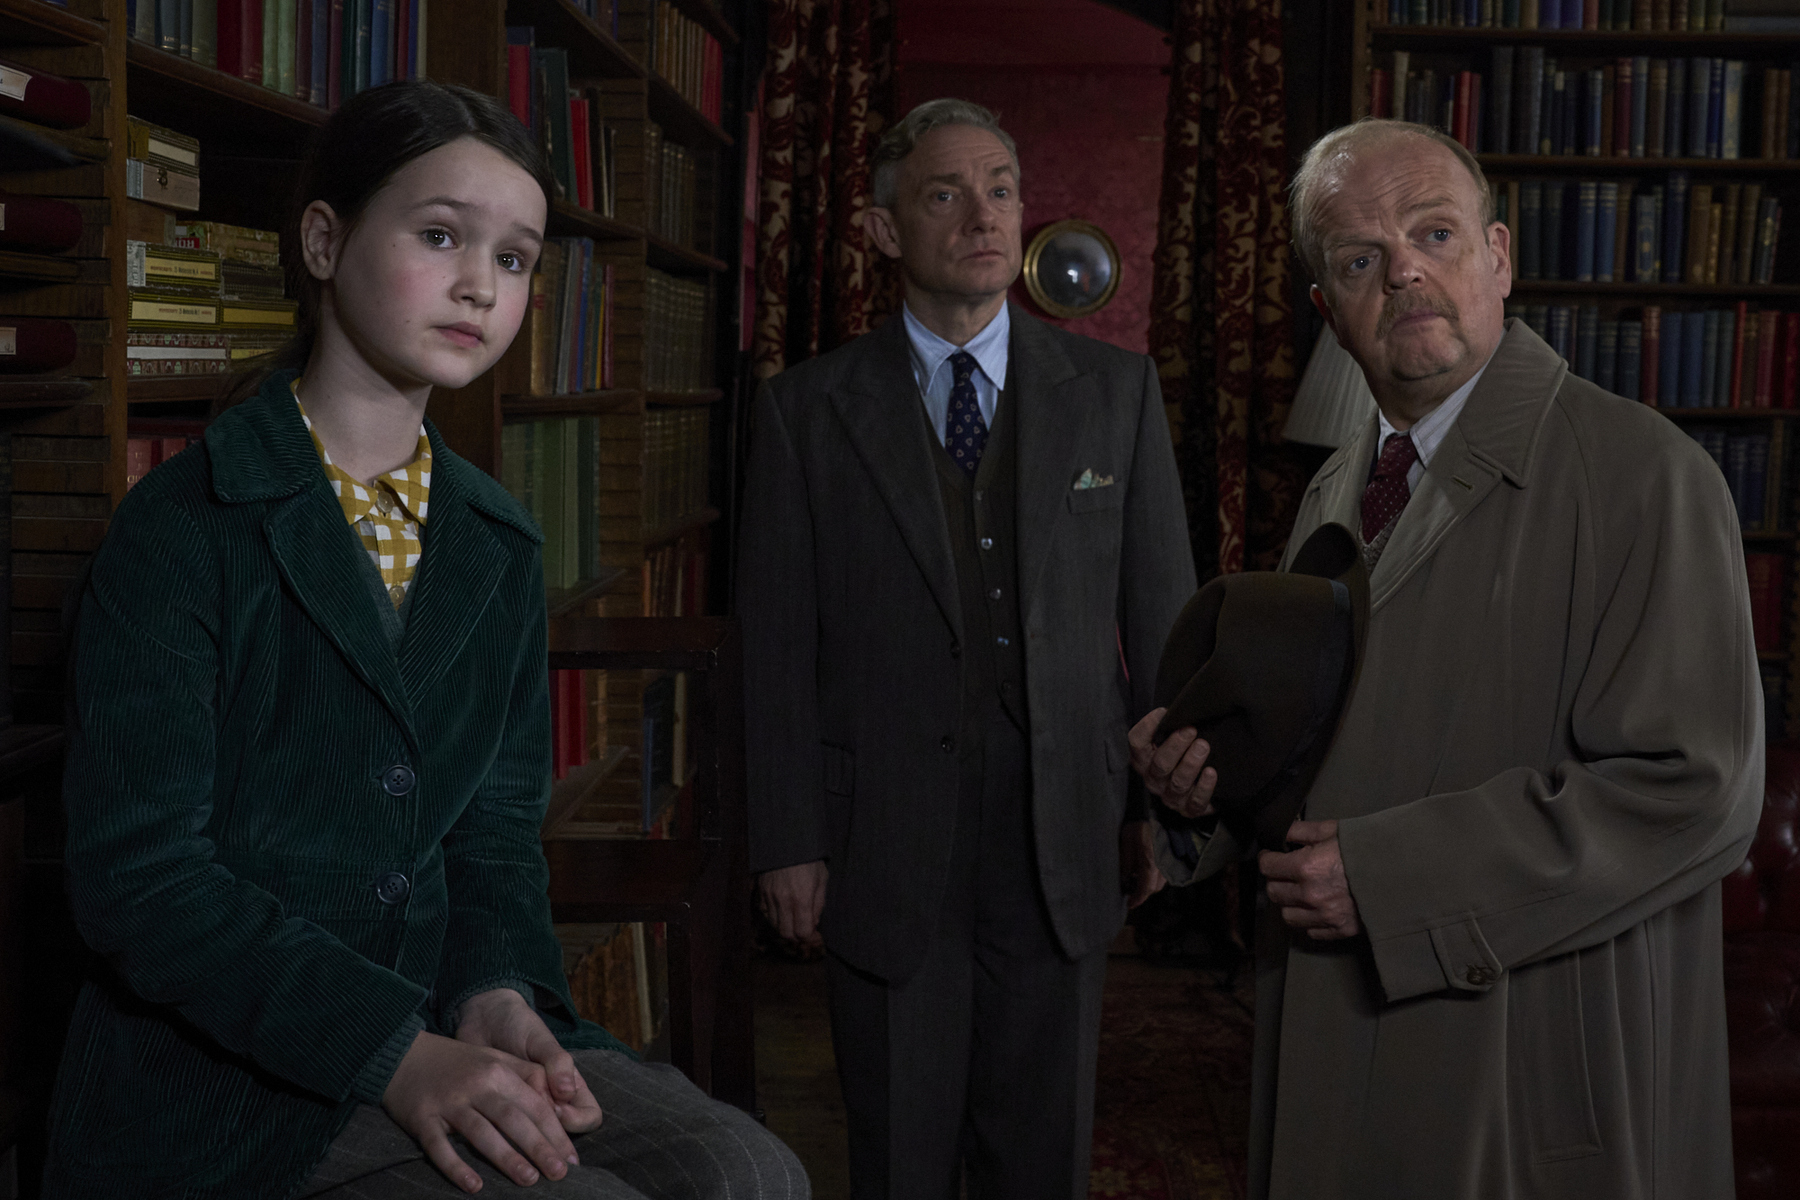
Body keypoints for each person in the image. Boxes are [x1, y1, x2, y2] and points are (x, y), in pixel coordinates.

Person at [42, 80, 807, 1200]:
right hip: (223, 1079)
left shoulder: (497, 541)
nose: (479, 285)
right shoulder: (184, 527)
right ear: (324, 240)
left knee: (751, 1169)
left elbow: (491, 841)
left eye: (514, 259)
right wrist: (397, 1054)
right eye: (441, 236)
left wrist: (497, 995)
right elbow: (140, 882)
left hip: (444, 1024)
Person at [1130, 117, 1764, 1199]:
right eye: (1360, 260)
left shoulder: (1644, 473)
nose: (1404, 272)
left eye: (1435, 233)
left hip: (1524, 1051)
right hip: (1332, 1020)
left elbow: (1700, 794)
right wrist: (1205, 796)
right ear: (1328, 310)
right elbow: (1328, 744)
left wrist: (1388, 878)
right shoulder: (1337, 488)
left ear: (1498, 258)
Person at [737, 97, 1195, 1198]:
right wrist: (786, 839)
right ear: (883, 228)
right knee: (899, 1155)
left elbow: (1164, 621)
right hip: (883, 839)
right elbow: (774, 645)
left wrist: (1163, 814)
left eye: (1000, 188)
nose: (983, 215)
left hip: (1066, 831)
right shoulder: (806, 411)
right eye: (945, 193)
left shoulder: (1118, 394)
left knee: (1043, 1157)